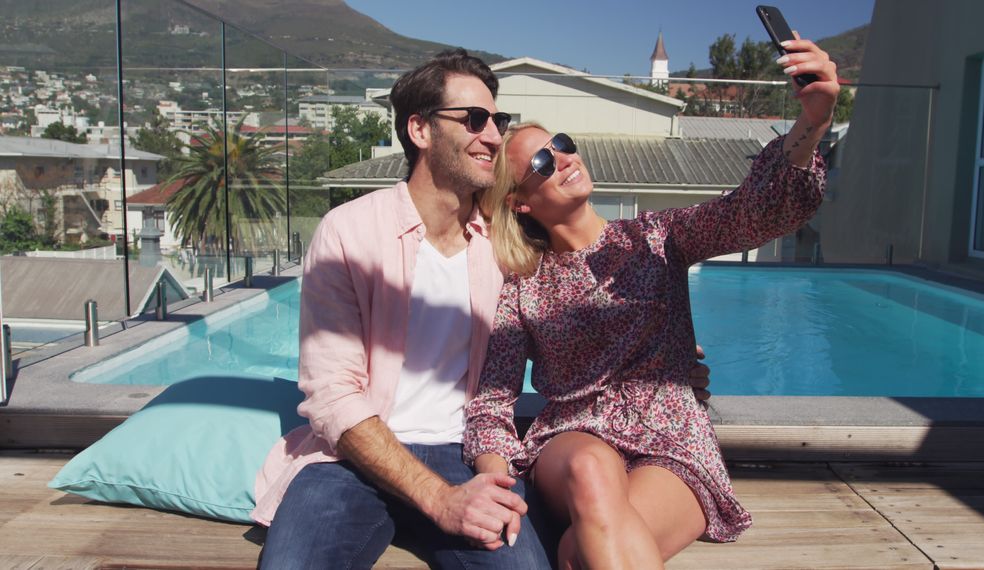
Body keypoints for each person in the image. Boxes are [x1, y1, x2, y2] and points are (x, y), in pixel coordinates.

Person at [251, 48, 712, 568]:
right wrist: (439, 499)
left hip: (468, 457)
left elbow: (579, 319)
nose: (492, 135)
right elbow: (332, 394)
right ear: (420, 131)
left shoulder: (507, 249)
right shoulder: (350, 232)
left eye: (497, 120)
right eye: (473, 120)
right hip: (353, 457)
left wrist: (659, 364)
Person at [463, 38, 838, 568]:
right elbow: (493, 401)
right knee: (592, 469)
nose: (565, 158)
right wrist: (494, 480)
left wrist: (813, 123)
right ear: (519, 202)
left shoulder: (658, 238)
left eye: (563, 143)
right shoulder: (523, 284)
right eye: (544, 161)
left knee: (577, 554)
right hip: (573, 437)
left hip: (671, 440)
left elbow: (755, 212)